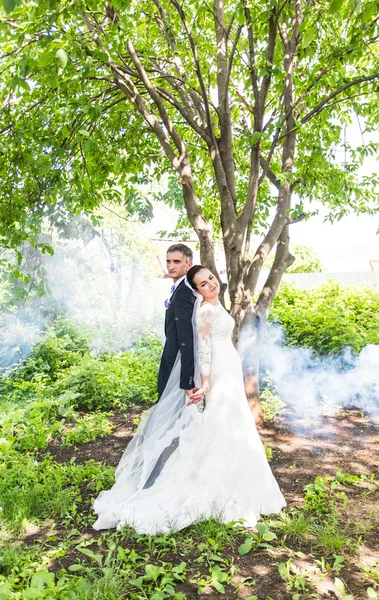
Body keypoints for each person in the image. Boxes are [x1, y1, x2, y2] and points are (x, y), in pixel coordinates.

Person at [93, 265, 285, 534]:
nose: (211, 284)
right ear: (197, 291)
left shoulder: (217, 305)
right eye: (204, 284)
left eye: (211, 278)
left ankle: (241, 486)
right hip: (218, 375)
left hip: (229, 371)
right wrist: (204, 382)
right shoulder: (205, 312)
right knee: (223, 426)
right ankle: (217, 489)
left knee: (235, 427)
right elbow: (203, 347)